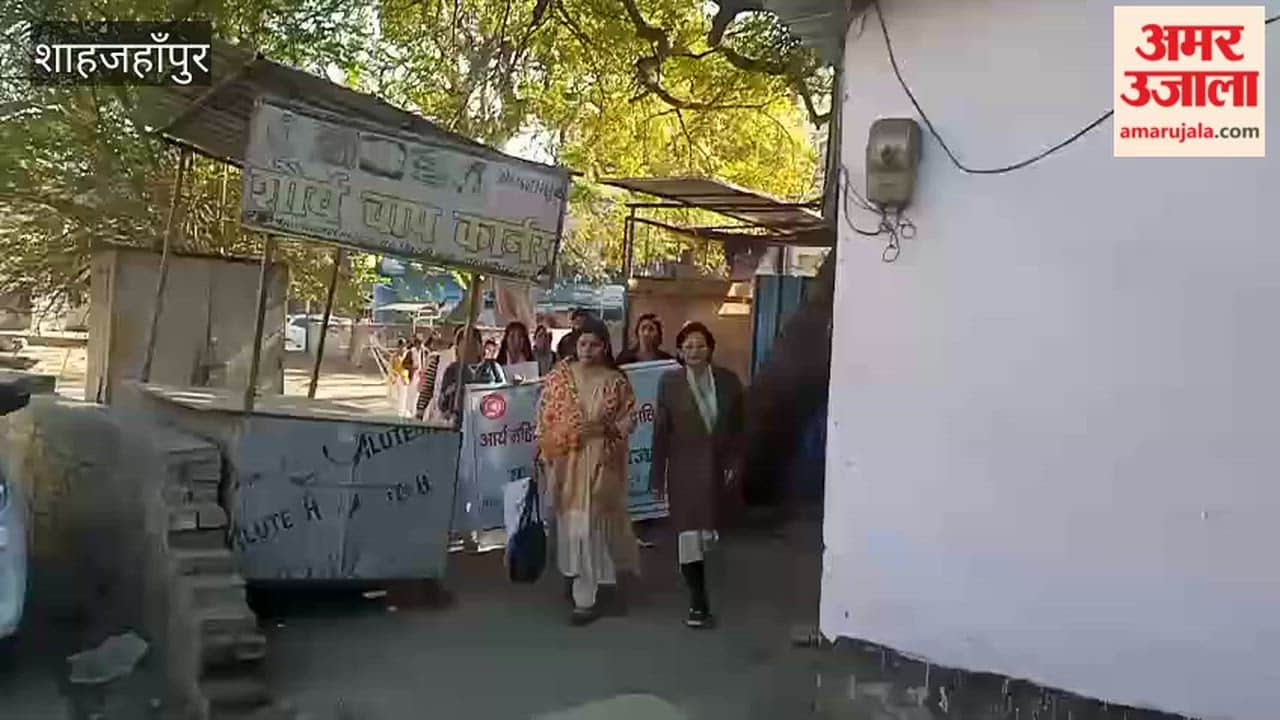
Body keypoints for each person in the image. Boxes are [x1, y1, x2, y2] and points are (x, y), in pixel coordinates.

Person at [536, 317, 639, 625]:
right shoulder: (559, 379)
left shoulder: (616, 381)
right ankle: (592, 584)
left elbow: (629, 418)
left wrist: (608, 429)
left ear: (605, 347)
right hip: (566, 459)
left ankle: (587, 597)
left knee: (594, 524)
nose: (587, 349)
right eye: (582, 343)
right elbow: (544, 416)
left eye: (594, 344)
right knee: (573, 525)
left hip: (601, 458)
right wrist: (549, 447)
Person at [649, 322, 744, 629]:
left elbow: (741, 428)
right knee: (688, 536)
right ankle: (698, 601)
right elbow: (660, 432)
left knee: (709, 536)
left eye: (700, 346)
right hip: (683, 468)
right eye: (687, 346)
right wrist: (656, 476)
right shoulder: (669, 382)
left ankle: (703, 582)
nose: (694, 352)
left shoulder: (729, 382)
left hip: (718, 468)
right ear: (679, 351)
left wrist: (737, 461)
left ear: (711, 349)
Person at [436, 327, 502, 425]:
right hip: (460, 425)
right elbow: (442, 404)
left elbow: (504, 394)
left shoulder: (493, 368)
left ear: (480, 347)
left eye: (472, 344)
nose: (468, 349)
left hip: (487, 426)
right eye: (464, 345)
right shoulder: (452, 370)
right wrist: (449, 392)